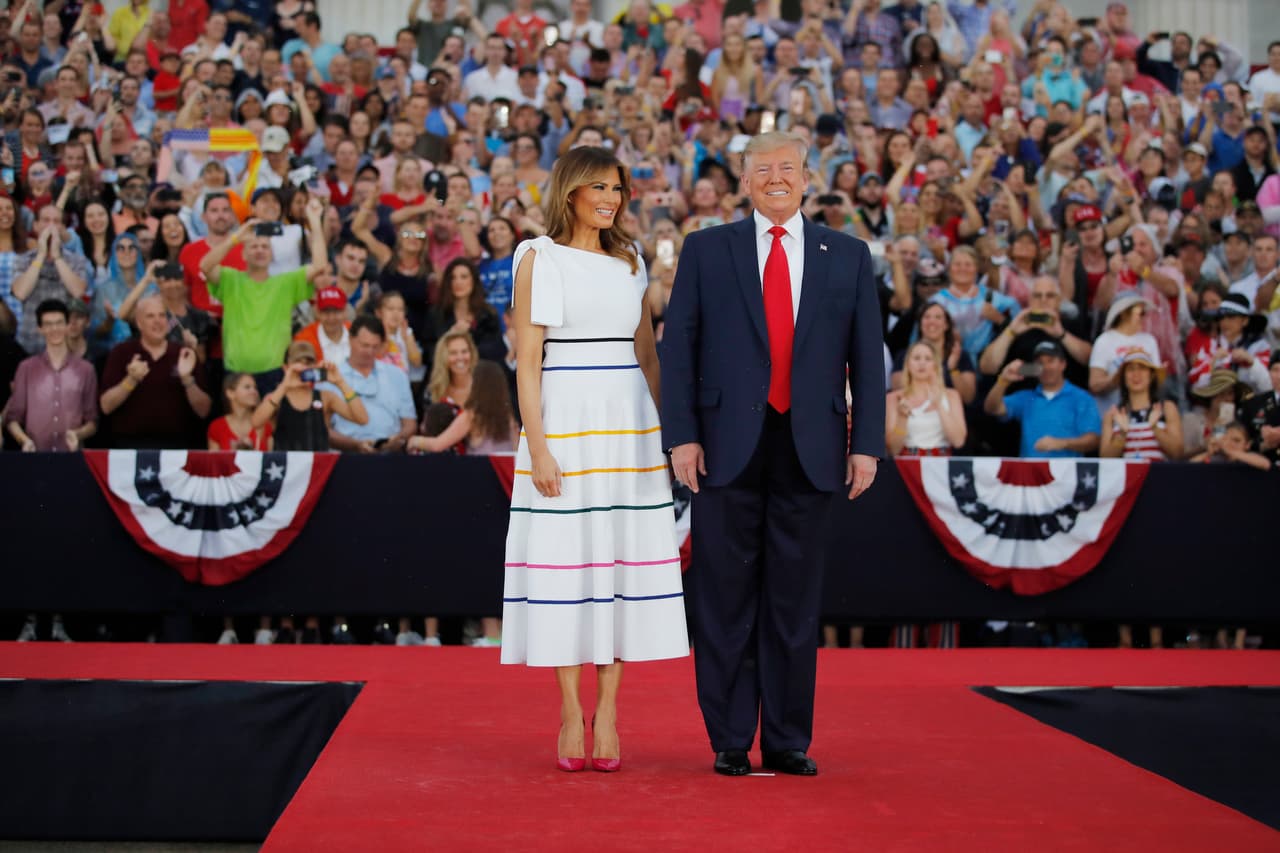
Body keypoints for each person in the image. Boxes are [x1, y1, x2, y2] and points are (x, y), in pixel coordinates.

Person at [662, 131, 883, 778]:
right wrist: (681, 435)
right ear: (746, 178)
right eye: (764, 169)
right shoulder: (707, 249)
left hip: (813, 448)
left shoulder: (848, 255)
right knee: (725, 597)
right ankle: (730, 736)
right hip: (723, 449)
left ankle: (788, 738)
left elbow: (866, 361)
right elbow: (680, 351)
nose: (776, 178)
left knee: (793, 601)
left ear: (807, 178)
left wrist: (866, 444)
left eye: (787, 168)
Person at [502, 145, 688, 774]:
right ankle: (566, 708)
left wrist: (669, 432)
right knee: (566, 564)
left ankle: (607, 710)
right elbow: (528, 359)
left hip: (629, 425)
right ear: (571, 191)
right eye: (599, 187)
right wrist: (540, 445)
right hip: (565, 419)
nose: (611, 198)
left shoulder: (633, 260)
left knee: (620, 565)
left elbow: (649, 355)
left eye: (618, 188)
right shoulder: (537, 256)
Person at [200, 198, 329, 395]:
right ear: (243, 254)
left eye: (265, 247)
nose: (259, 250)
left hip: (274, 372)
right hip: (236, 373)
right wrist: (236, 238)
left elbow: (320, 265)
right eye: (254, 246)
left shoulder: (286, 283)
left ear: (272, 255)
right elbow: (205, 266)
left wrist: (315, 221)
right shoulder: (230, 279)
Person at [99, 295, 212, 448]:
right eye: (150, 316)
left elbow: (204, 411)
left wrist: (187, 379)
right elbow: (106, 406)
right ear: (139, 323)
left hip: (177, 447)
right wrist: (130, 380)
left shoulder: (184, 353)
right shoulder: (121, 353)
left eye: (162, 315)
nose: (158, 321)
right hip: (130, 448)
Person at [5, 299, 97, 452]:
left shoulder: (86, 370)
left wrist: (77, 435)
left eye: (59, 323)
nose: (54, 329)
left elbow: (92, 421)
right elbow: (13, 418)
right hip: (36, 457)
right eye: (48, 324)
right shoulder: (26, 368)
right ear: (40, 329)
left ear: (68, 325)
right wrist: (24, 441)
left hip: (71, 457)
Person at [984, 340, 1101, 459]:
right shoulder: (1026, 397)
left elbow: (1093, 440)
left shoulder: (1082, 398)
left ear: (1063, 364)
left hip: (1067, 474)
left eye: (1051, 361)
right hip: (1030, 473)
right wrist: (1003, 380)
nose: (1045, 367)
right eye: (1040, 363)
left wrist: (1062, 443)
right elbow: (992, 408)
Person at [253, 340, 367, 451]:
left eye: (309, 363)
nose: (304, 368)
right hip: (286, 467)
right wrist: (284, 386)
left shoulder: (326, 397)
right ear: (286, 367)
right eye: (299, 363)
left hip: (318, 467)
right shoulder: (277, 397)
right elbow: (256, 423)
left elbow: (362, 419)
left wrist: (340, 382)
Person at [327, 315, 417, 453]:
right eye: (364, 345)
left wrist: (398, 439)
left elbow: (410, 423)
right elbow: (322, 429)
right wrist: (354, 445)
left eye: (375, 346)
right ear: (350, 340)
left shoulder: (397, 375)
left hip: (389, 455)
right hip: (345, 456)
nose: (369, 352)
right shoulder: (331, 376)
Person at [886, 340, 966, 456]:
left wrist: (939, 404)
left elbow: (958, 441)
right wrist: (902, 418)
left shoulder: (951, 396)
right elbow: (892, 449)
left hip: (942, 464)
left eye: (928, 359)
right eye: (917, 358)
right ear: (908, 364)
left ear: (936, 364)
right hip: (906, 466)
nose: (922, 363)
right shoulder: (894, 398)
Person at [1100, 350, 1182, 462]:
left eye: (1142, 368)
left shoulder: (1167, 408)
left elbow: (1177, 454)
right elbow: (1105, 460)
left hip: (1161, 477)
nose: (1136, 374)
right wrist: (1122, 435)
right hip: (1128, 479)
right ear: (1123, 377)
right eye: (1130, 369)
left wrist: (1155, 429)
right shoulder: (1112, 414)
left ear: (1152, 375)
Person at [208, 372, 273, 450]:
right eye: (247, 387)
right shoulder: (217, 427)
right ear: (230, 393)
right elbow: (214, 461)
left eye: (255, 388)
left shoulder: (264, 424)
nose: (254, 391)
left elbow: (269, 459)